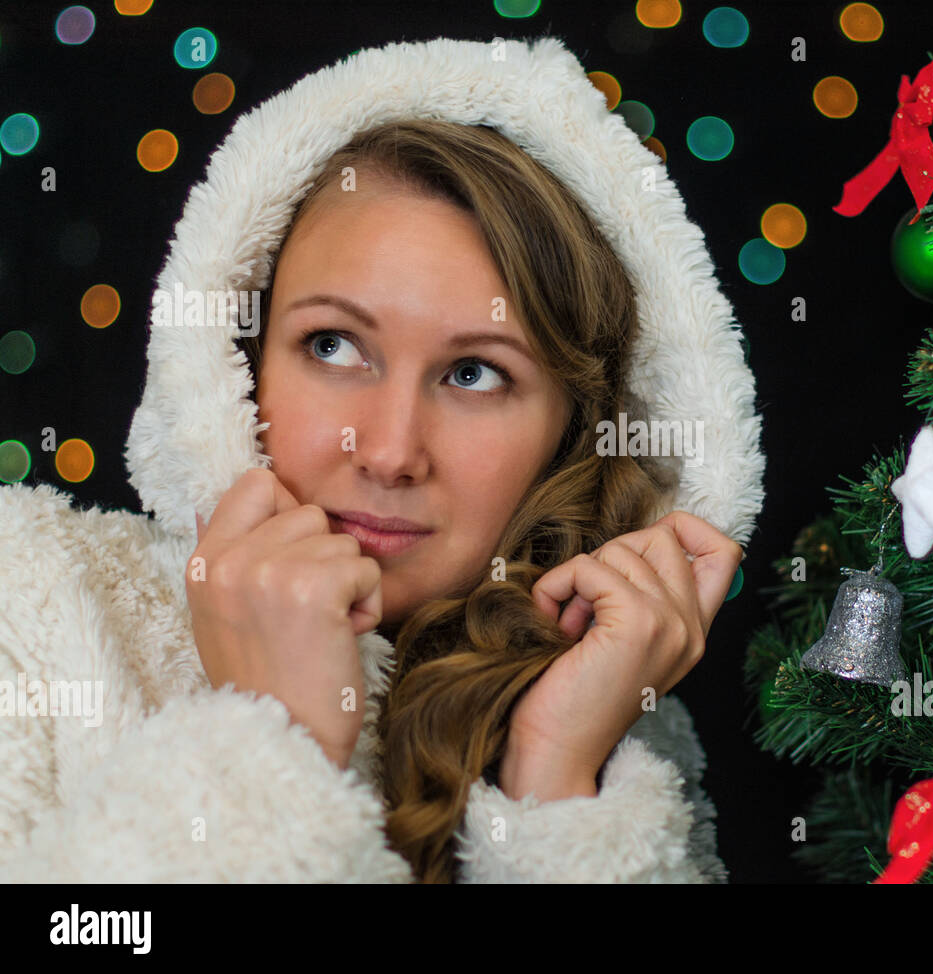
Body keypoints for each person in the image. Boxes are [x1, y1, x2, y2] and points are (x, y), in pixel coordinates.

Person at [0, 35, 764, 883]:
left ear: (576, 429)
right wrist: (269, 742)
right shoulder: (32, 607)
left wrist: (553, 793)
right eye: (333, 345)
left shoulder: (626, 740)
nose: (392, 452)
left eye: (475, 374)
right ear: (234, 359)